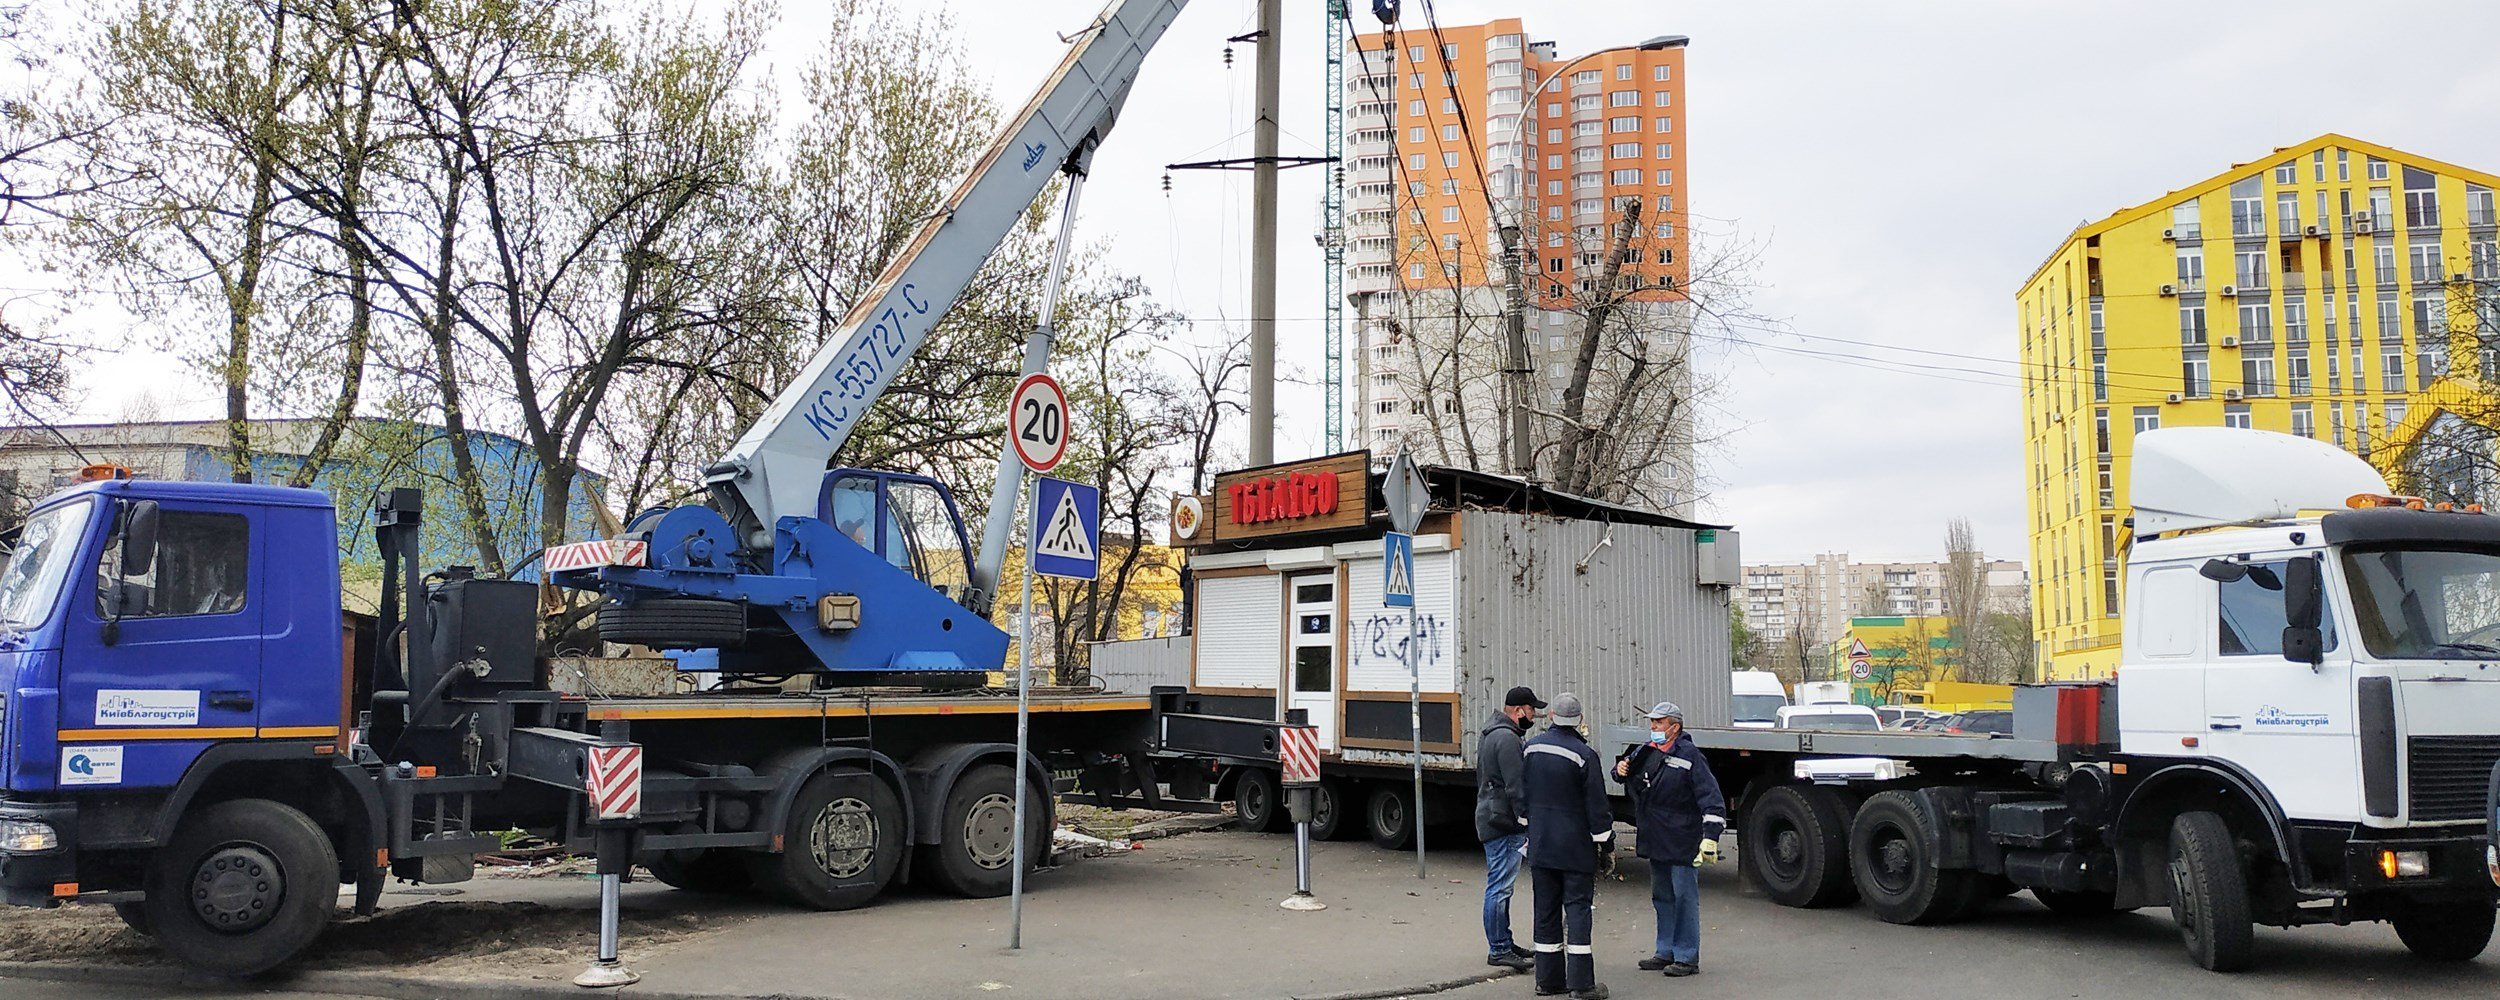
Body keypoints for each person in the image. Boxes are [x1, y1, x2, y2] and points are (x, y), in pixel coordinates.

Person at [1612, 700, 1724, 978]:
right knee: (1662, 896)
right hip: (1656, 836)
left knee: (1684, 897)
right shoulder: (1647, 750)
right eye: (1652, 723)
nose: (1653, 727)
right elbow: (1623, 775)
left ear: (1674, 727)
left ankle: (1686, 957)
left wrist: (1710, 838)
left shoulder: (1690, 756)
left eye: (1659, 723)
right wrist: (1620, 770)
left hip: (1682, 838)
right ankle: (1665, 951)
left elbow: (1712, 800)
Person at [1522, 692, 1613, 1000]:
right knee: (1577, 912)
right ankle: (1581, 985)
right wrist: (1606, 844)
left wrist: (1527, 826)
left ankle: (1547, 981)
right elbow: (1597, 808)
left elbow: (1522, 795)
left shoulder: (1530, 748)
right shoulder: (1584, 755)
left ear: (1551, 718)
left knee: (1544, 912)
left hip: (1541, 846)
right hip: (1575, 850)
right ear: (1580, 720)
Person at [1475, 686, 1546, 972]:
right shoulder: (1507, 739)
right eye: (1532, 710)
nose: (1534, 715)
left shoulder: (1494, 733)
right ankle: (1499, 949)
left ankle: (1504, 941)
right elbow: (1516, 785)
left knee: (1501, 886)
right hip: (1503, 821)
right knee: (1500, 887)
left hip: (1493, 816)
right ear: (1519, 711)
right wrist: (1526, 817)